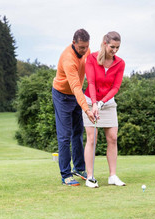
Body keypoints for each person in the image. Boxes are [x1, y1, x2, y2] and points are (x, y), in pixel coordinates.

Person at [52, 29, 95, 186]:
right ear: (74, 43)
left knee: (78, 132)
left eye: (86, 47)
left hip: (77, 94)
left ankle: (79, 168)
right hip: (62, 95)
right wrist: (87, 109)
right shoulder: (68, 59)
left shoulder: (87, 50)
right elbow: (76, 86)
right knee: (64, 135)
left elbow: (90, 70)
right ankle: (66, 174)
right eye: (81, 47)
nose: (84, 50)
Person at [83, 31, 126, 188]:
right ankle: (90, 177)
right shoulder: (92, 59)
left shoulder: (120, 63)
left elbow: (116, 87)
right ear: (104, 43)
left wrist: (102, 102)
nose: (114, 50)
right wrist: (95, 103)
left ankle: (112, 176)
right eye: (112, 47)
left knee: (113, 138)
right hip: (89, 101)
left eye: (117, 47)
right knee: (92, 138)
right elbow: (92, 83)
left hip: (108, 103)